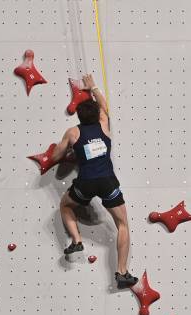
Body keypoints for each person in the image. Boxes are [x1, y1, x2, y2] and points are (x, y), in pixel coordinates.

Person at [50, 74, 138, 289]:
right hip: (108, 182)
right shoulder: (104, 125)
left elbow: (54, 157)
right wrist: (93, 88)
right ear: (98, 114)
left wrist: (69, 149)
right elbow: (105, 108)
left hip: (86, 183)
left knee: (65, 205)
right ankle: (122, 272)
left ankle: (77, 240)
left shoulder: (73, 132)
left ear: (79, 116)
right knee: (123, 225)